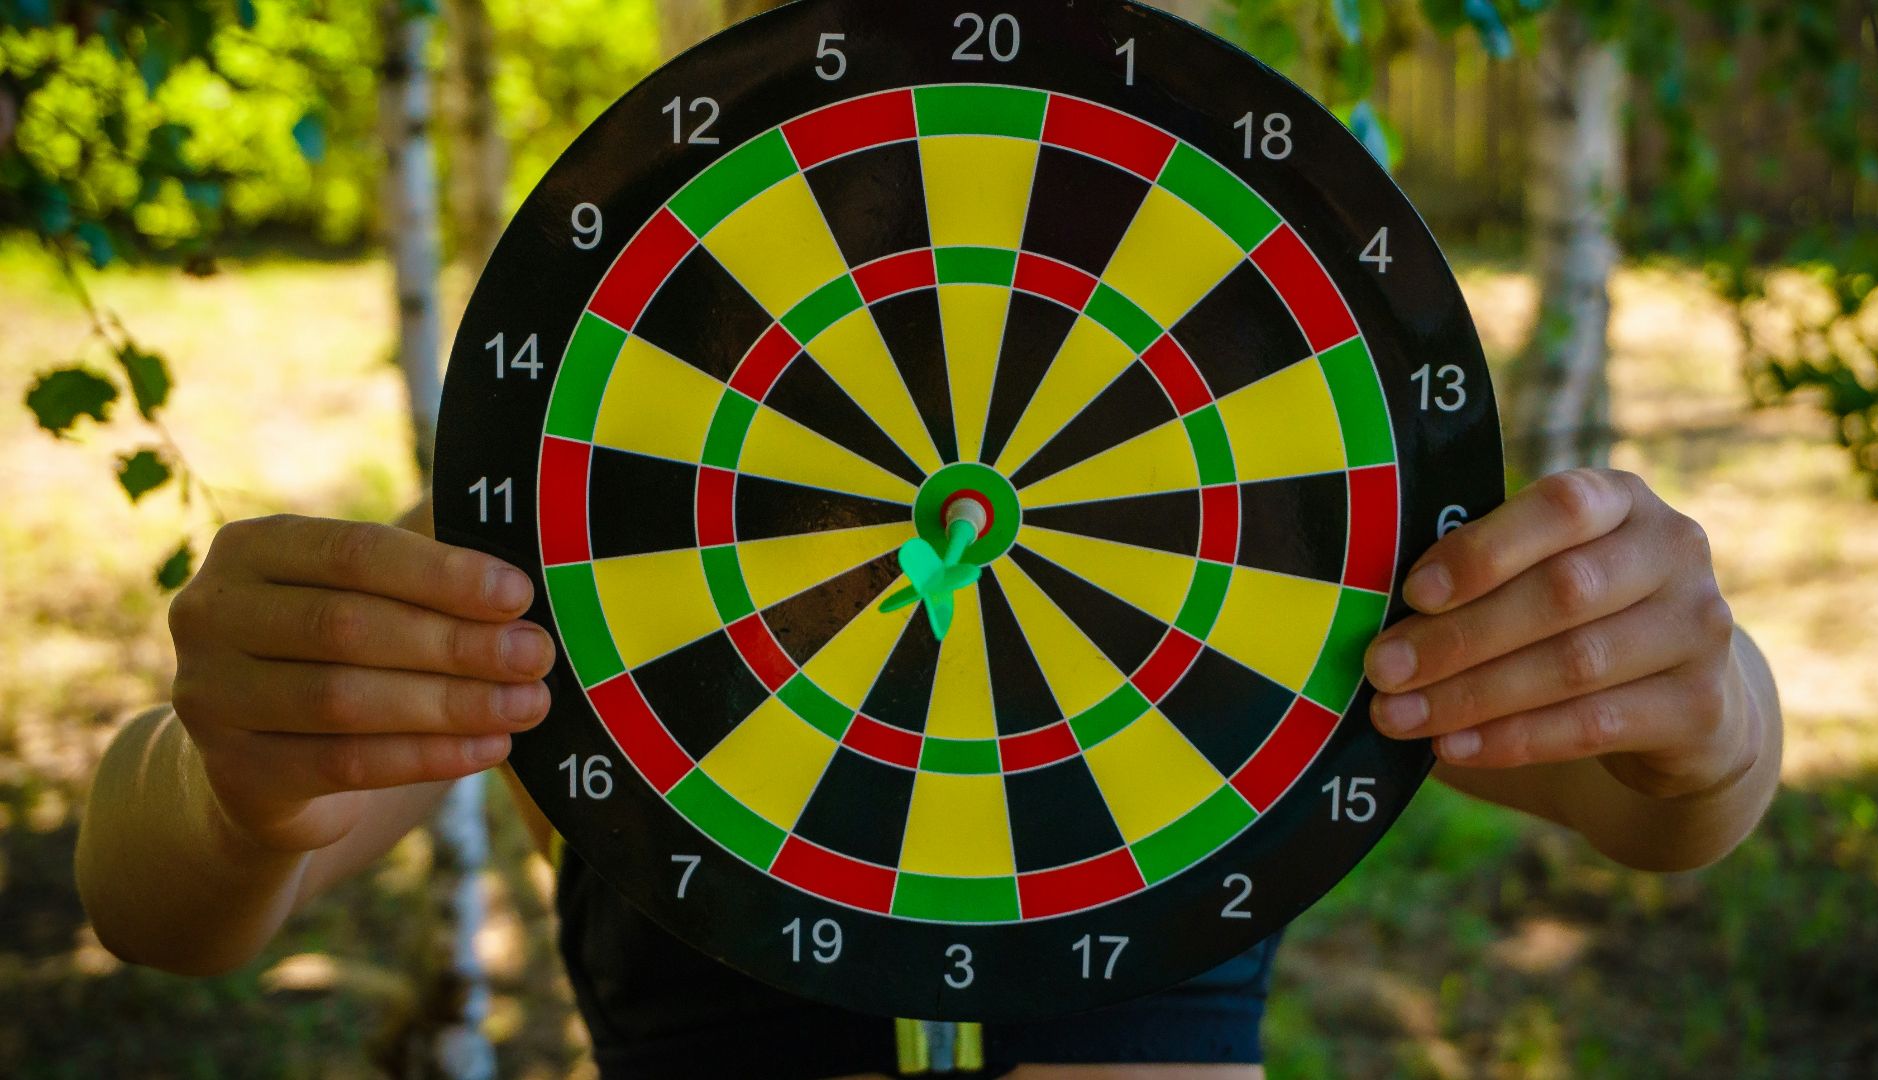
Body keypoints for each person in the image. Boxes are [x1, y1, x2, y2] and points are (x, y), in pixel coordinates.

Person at [76, 467, 1782, 1079]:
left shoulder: (1286, 485)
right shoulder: (603, 491)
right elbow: (161, 904)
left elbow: (1660, 808)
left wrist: (1703, 706)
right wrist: (242, 786)